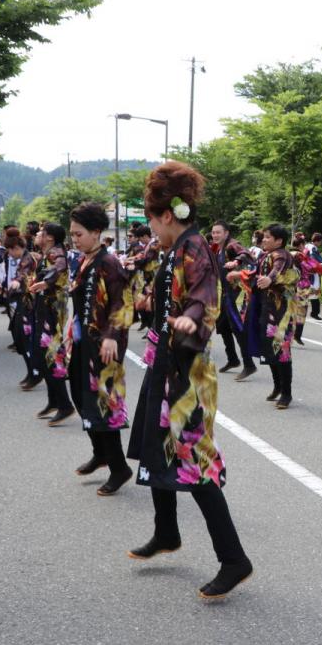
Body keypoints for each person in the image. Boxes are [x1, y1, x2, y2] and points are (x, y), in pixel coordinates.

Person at [125, 162, 253, 600]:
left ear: (165, 215)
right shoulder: (177, 247)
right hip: (168, 361)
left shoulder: (195, 248)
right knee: (156, 447)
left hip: (189, 367)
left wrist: (188, 318)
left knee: (194, 461)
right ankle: (166, 532)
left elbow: (205, 297)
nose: (150, 229)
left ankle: (234, 559)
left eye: (150, 219)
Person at [68, 202, 134, 496]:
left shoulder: (109, 263)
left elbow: (123, 302)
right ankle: (101, 452)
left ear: (96, 232)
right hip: (85, 343)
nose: (75, 239)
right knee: (82, 398)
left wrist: (111, 335)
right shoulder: (84, 261)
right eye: (72, 234)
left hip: (104, 347)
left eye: (79, 233)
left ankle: (119, 467)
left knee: (104, 405)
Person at [232, 224, 298, 408]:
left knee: (282, 351)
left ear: (279, 241)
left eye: (268, 237)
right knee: (269, 349)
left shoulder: (281, 255)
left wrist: (270, 278)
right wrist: (238, 273)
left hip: (281, 313)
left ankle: (287, 393)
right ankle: (278, 386)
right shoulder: (264, 255)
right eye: (264, 236)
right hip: (266, 310)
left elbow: (277, 270)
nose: (264, 239)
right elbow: (256, 273)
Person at [27, 223, 75, 426]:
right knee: (44, 354)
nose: (37, 235)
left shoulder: (57, 253)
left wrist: (46, 282)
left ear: (49, 237)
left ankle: (65, 405)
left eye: (40, 233)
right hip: (45, 309)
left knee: (51, 355)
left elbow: (61, 266)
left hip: (52, 312)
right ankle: (54, 401)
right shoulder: (46, 252)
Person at [209, 220, 256, 378]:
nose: (215, 235)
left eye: (218, 232)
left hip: (233, 295)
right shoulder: (218, 248)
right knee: (222, 327)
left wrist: (236, 261)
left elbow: (246, 254)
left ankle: (249, 364)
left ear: (226, 233)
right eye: (213, 232)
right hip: (222, 294)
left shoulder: (232, 245)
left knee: (237, 328)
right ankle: (233, 359)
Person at [5, 234, 42, 390]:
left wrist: (16, 282)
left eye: (10, 251)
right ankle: (32, 372)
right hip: (25, 301)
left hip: (29, 303)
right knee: (21, 338)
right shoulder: (27, 257)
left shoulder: (28, 259)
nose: (10, 254)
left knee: (24, 339)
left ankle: (35, 372)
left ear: (16, 248)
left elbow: (23, 274)